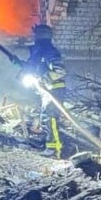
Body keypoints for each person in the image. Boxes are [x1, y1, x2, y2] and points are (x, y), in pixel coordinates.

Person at [21, 24, 68, 157]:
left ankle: (54, 149)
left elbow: (60, 71)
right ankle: (47, 143)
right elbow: (33, 67)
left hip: (54, 90)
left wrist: (44, 79)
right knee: (45, 117)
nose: (34, 37)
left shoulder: (49, 51)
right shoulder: (39, 51)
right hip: (47, 90)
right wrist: (19, 64)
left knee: (50, 118)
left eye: (36, 34)